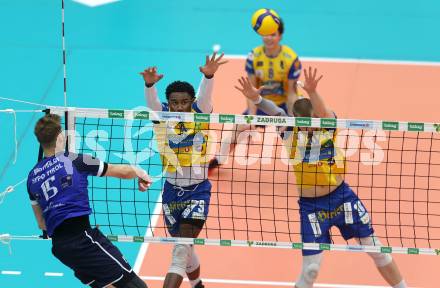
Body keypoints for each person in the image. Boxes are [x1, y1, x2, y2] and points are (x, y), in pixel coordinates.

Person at [234, 67, 408, 288]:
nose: (307, 127)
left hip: (342, 197)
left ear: (315, 117)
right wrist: (256, 98)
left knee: (377, 250)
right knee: (310, 271)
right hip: (312, 207)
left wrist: (313, 91)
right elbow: (275, 111)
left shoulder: (328, 127)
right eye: (301, 123)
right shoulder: (288, 132)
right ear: (295, 120)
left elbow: (325, 112)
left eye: (310, 121)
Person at [27, 114, 152, 288]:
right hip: (83, 240)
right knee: (136, 286)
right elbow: (122, 172)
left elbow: (42, 223)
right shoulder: (76, 160)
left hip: (61, 249)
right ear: (61, 136)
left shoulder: (32, 177)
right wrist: (140, 172)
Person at [140, 52, 227, 288]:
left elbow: (206, 95)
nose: (180, 106)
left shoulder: (201, 114)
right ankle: (198, 285)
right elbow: (152, 103)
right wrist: (149, 85)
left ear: (192, 101)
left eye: (185, 101)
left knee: (180, 252)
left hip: (198, 191)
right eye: (175, 102)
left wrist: (208, 76)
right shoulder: (162, 116)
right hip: (170, 192)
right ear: (169, 103)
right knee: (185, 249)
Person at [209, 19, 302, 169]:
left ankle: (307, 165)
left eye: (273, 34)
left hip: (283, 105)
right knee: (235, 131)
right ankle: (218, 160)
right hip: (261, 103)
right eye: (265, 34)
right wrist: (252, 117)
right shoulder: (254, 56)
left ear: (280, 36)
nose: (268, 38)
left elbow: (292, 93)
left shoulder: (291, 58)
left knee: (294, 139)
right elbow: (251, 89)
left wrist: (290, 119)